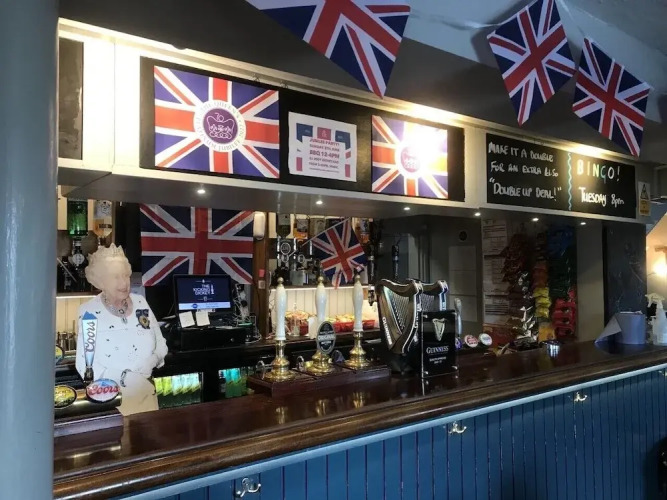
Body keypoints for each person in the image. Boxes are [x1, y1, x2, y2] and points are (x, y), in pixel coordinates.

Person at [75, 244, 168, 415]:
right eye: (116, 277)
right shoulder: (89, 312)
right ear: (101, 281)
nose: (124, 283)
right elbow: (85, 365)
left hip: (147, 397)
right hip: (112, 404)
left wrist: (153, 360)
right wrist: (125, 377)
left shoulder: (140, 302)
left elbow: (161, 344)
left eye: (126, 275)